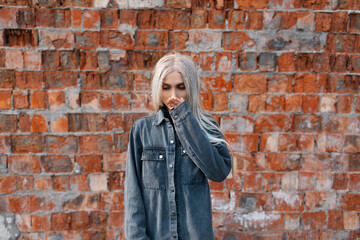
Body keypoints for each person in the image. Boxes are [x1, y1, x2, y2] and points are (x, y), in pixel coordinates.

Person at [124, 53, 232, 240]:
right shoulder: (141, 130)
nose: (173, 96)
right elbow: (133, 194)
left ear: (190, 88)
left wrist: (185, 119)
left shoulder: (206, 126)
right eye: (166, 88)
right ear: (158, 88)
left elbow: (219, 172)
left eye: (181, 87)